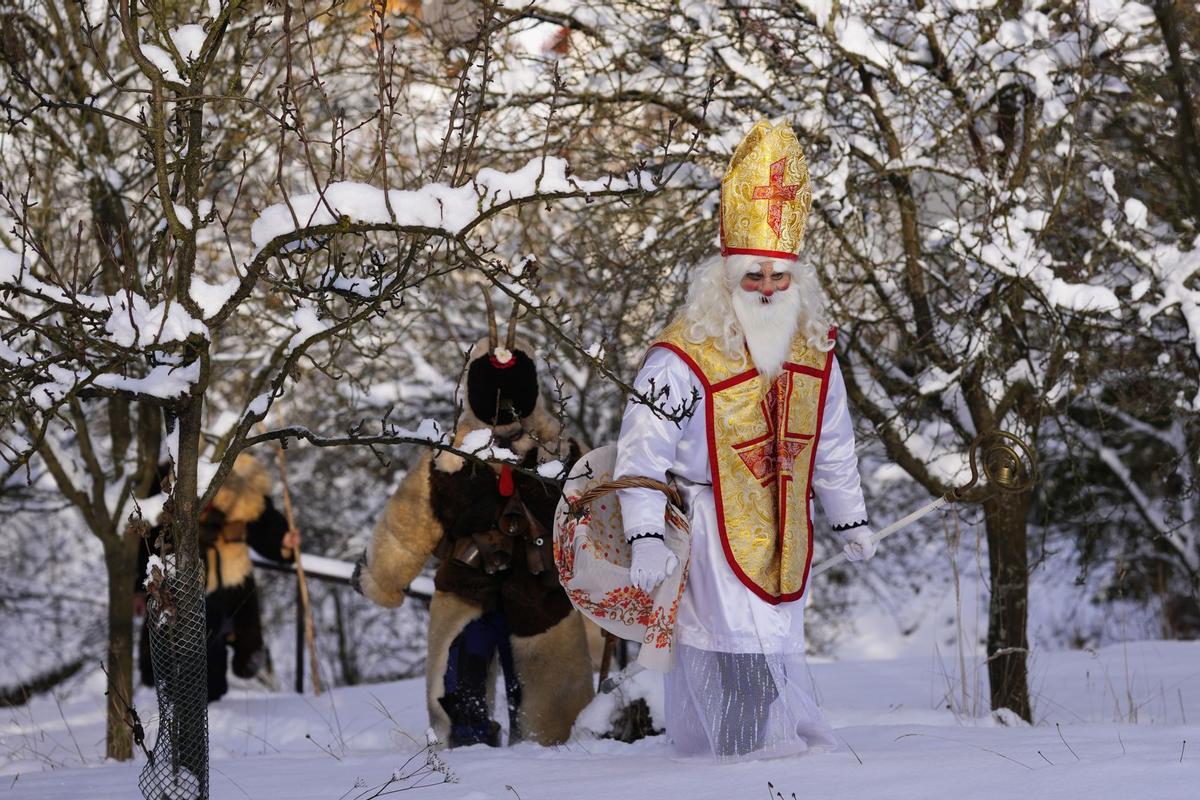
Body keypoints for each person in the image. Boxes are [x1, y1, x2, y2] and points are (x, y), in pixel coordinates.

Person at [613, 120, 875, 760]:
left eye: (777, 279)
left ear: (796, 282)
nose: (764, 289)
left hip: (787, 532)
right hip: (708, 532)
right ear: (724, 277)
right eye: (752, 276)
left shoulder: (816, 353)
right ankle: (736, 767)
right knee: (741, 665)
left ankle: (748, 765)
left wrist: (850, 518)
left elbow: (832, 445)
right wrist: (644, 533)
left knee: (770, 654)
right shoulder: (682, 356)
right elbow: (640, 449)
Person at [355, 313, 594, 747]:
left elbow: (597, 525)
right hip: (467, 593)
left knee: (554, 724)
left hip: (543, 597)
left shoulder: (566, 455)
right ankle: (468, 762)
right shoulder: (447, 457)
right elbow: (409, 524)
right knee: (462, 705)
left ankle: (549, 779)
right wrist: (385, 577)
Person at [136, 453, 300, 702]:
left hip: (230, 583)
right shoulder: (169, 490)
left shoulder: (240, 491)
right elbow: (146, 546)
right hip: (183, 584)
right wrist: (139, 587)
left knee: (223, 642)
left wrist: (283, 542)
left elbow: (264, 525)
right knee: (181, 644)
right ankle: (185, 699)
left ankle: (208, 702)